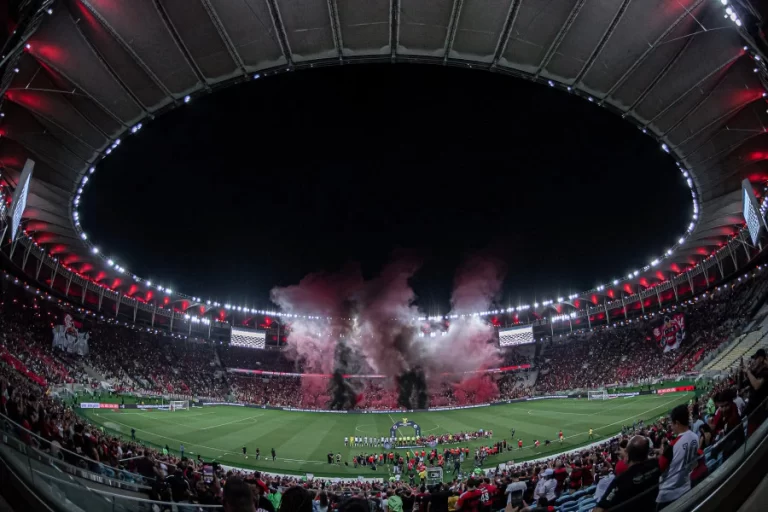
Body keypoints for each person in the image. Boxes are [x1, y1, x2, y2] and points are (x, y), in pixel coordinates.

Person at [594, 436, 661, 512]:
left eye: (625, 451)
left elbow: (599, 509)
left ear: (628, 456)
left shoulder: (621, 480)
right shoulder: (655, 465)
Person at [656, 404, 700, 509]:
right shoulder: (695, 437)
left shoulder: (672, 445)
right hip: (685, 486)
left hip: (668, 494)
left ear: (677, 423)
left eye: (672, 423)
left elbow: (660, 468)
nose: (670, 426)